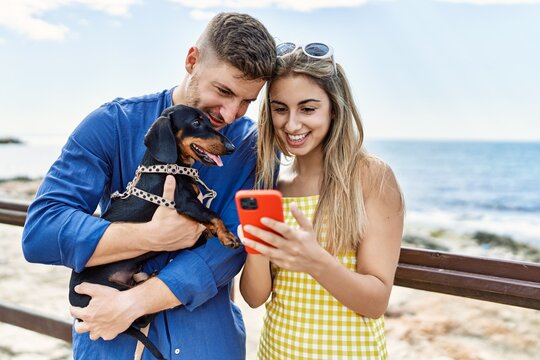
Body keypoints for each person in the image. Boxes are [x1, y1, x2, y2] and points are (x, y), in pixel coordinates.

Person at [22, 12, 276, 360]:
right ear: (191, 61)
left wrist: (135, 302)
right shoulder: (112, 123)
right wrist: (150, 237)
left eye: (248, 101)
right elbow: (42, 231)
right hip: (111, 344)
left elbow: (232, 246)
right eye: (223, 91)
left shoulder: (251, 148)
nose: (231, 114)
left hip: (208, 347)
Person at [239, 42, 404, 359]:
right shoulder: (275, 184)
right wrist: (256, 249)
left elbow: (375, 302)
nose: (292, 124)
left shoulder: (371, 177)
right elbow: (255, 297)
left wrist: (315, 261)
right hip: (275, 351)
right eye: (280, 108)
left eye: (308, 109)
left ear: (334, 108)